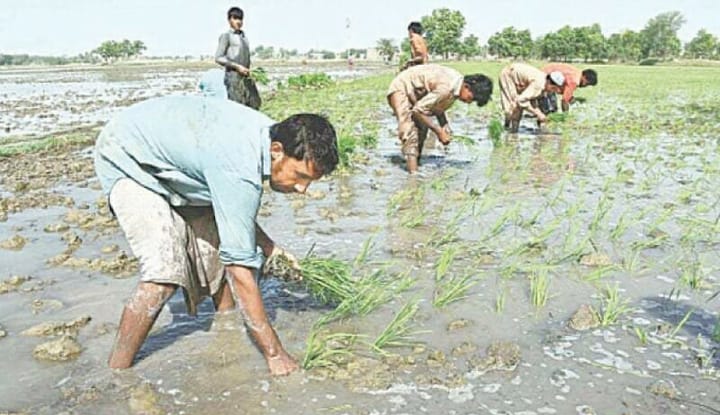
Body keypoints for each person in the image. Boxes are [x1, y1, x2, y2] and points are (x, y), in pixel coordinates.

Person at [94, 94, 339, 375]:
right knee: (165, 272)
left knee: (216, 259)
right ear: (277, 150)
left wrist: (271, 249)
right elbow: (240, 270)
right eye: (300, 177)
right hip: (128, 159)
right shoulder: (240, 164)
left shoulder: (270, 138)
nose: (302, 189)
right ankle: (117, 373)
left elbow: (234, 214)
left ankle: (226, 331)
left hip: (181, 163)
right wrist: (275, 353)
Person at [387, 64, 493, 173]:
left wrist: (444, 125)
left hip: (418, 92)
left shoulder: (456, 88)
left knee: (423, 128)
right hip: (402, 88)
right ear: (466, 86)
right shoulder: (447, 88)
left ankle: (415, 163)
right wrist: (438, 131)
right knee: (409, 130)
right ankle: (413, 176)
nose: (469, 102)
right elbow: (418, 110)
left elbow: (437, 107)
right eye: (471, 98)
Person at [215, 7, 261, 109]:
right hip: (233, 78)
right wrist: (237, 67)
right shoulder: (226, 36)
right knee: (238, 107)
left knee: (254, 104)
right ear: (229, 20)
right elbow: (218, 58)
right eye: (235, 19)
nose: (238, 22)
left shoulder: (243, 37)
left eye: (240, 19)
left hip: (245, 77)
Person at [498, 63, 565, 133]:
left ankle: (513, 132)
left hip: (520, 81)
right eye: (553, 88)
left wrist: (538, 112)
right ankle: (508, 130)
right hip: (509, 75)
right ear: (548, 81)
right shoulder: (539, 85)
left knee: (517, 109)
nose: (552, 91)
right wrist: (538, 114)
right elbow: (521, 101)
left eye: (555, 89)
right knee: (513, 106)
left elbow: (531, 99)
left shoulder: (543, 83)